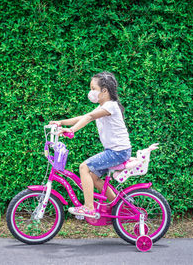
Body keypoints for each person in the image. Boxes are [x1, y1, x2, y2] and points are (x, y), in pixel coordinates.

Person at [49, 71, 132, 218]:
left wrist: (72, 130)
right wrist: (61, 122)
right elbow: (84, 117)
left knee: (84, 167)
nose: (91, 92)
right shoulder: (104, 106)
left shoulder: (111, 106)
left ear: (104, 90)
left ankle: (89, 207)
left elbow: (89, 117)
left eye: (93, 88)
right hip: (116, 150)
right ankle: (118, 206)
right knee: (93, 176)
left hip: (118, 152)